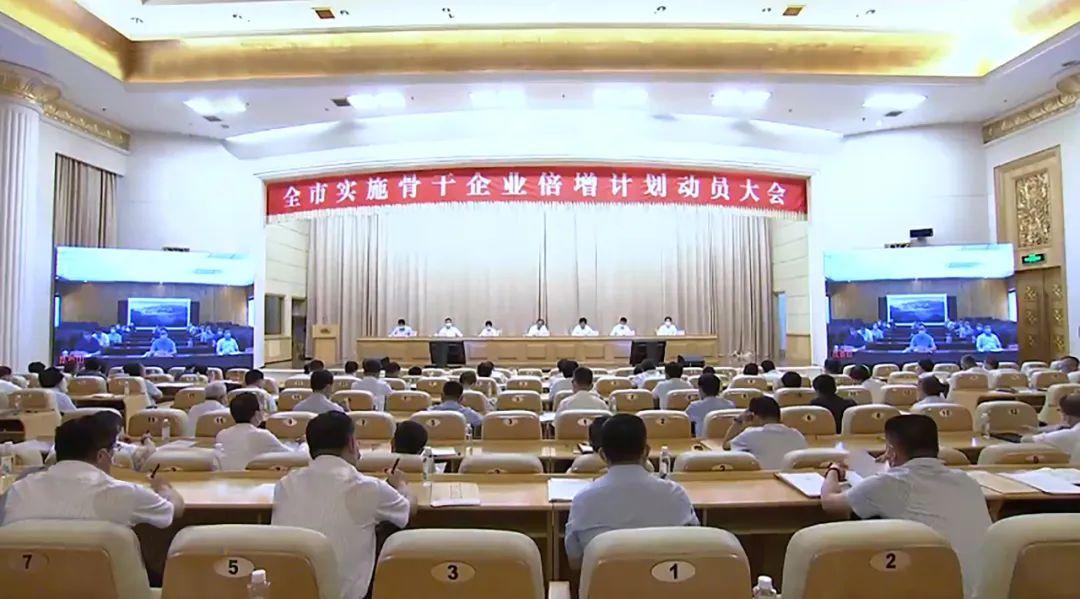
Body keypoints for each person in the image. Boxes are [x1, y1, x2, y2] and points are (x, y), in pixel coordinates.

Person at [820, 415, 990, 598]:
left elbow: (829, 502)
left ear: (891, 452)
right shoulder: (967, 482)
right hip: (989, 590)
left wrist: (833, 470)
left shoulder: (891, 484)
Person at [273, 412, 415, 599]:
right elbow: (408, 510)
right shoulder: (367, 486)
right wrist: (402, 485)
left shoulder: (286, 484)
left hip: (288, 593)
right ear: (351, 443)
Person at [564, 414, 698, 569]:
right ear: (646, 452)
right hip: (665, 583)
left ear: (602, 455)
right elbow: (694, 544)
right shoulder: (676, 495)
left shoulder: (584, 500)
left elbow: (575, 561)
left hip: (606, 583)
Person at [1, 413, 184, 527]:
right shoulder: (123, 494)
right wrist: (165, 488)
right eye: (113, 451)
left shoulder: (18, 491)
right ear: (102, 455)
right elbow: (172, 511)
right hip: (99, 580)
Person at [722, 396, 808, 470]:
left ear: (753, 416)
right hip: (790, 480)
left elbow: (726, 445)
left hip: (762, 479)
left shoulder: (750, 434)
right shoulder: (797, 435)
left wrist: (739, 420)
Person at [215, 392, 295, 470]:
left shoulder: (221, 435)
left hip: (226, 478)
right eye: (261, 409)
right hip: (251, 478)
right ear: (257, 414)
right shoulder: (262, 435)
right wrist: (300, 444)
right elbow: (291, 454)